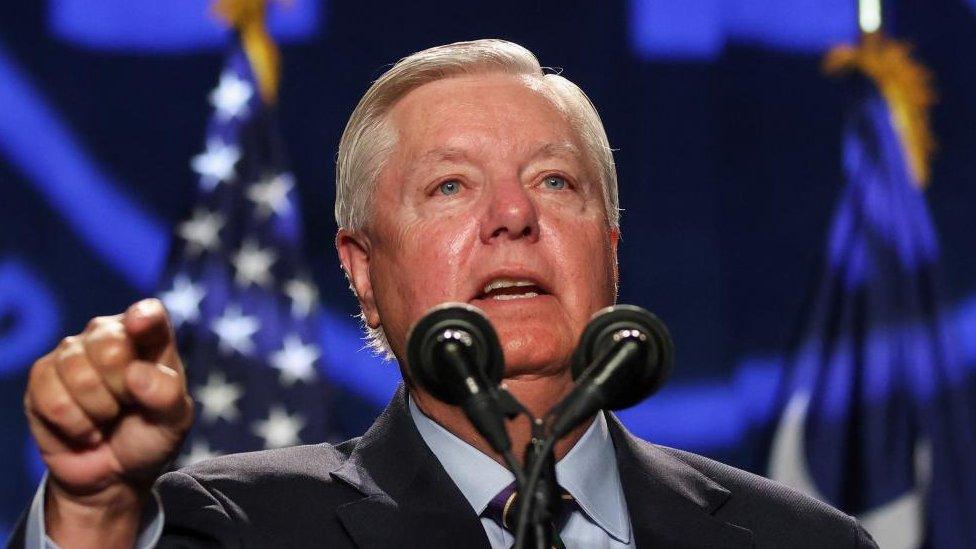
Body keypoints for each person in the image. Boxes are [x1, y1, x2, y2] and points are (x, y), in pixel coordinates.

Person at [12, 39, 877, 548]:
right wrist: (90, 515)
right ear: (360, 270)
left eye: (553, 181)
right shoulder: (234, 528)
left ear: (610, 248)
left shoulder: (804, 542)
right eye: (451, 188)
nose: (511, 216)